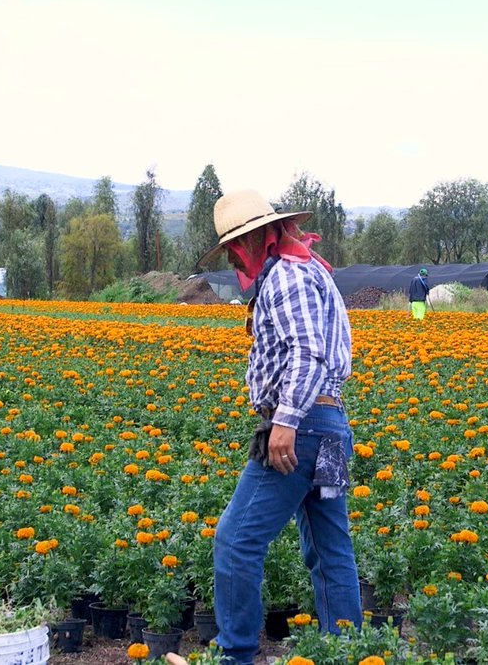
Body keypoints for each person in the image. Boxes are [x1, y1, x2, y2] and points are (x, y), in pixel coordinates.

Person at [193, 189, 361, 665]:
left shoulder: (287, 275)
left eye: (236, 245)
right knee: (329, 549)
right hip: (328, 424)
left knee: (235, 540)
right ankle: (348, 652)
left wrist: (284, 422)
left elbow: (307, 351)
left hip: (301, 427)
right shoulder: (307, 268)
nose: (233, 256)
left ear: (258, 238)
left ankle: (237, 656)